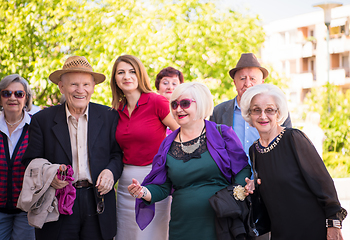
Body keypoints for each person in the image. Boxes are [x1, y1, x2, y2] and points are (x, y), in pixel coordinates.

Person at [128, 82, 251, 240]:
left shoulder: (223, 134)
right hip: (182, 225)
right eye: (174, 104)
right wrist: (143, 192)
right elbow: (163, 187)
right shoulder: (167, 144)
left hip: (221, 221)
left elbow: (242, 169)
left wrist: (235, 196)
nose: (178, 109)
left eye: (185, 103)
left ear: (200, 104)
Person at [22, 56, 123, 240]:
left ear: (93, 87)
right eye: (73, 84)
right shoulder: (41, 120)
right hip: (57, 203)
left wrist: (110, 172)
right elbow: (30, 161)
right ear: (61, 87)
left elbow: (117, 154)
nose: (80, 90)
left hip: (97, 202)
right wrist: (49, 175)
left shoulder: (109, 116)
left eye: (86, 84)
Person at [241, 84, 347, 240]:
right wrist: (255, 186)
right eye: (256, 110)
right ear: (249, 115)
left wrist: (333, 224)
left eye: (269, 110)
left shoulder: (293, 138)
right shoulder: (254, 150)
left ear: (278, 113)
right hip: (281, 232)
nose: (263, 116)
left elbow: (323, 183)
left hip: (313, 230)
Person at [110, 55, 179, 240]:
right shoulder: (117, 110)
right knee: (127, 234)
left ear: (140, 75)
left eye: (132, 71)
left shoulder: (156, 101)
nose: (127, 76)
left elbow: (180, 133)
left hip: (155, 179)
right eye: (121, 72)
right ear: (115, 79)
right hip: (125, 183)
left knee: (152, 234)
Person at [0, 74, 35, 240]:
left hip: (27, 210)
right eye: (6, 93)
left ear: (26, 98)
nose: (12, 98)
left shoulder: (36, 127)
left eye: (19, 94)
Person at [155, 66, 184, 135]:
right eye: (165, 83)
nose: (170, 87)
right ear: (158, 89)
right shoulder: (151, 109)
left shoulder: (187, 110)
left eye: (174, 83)